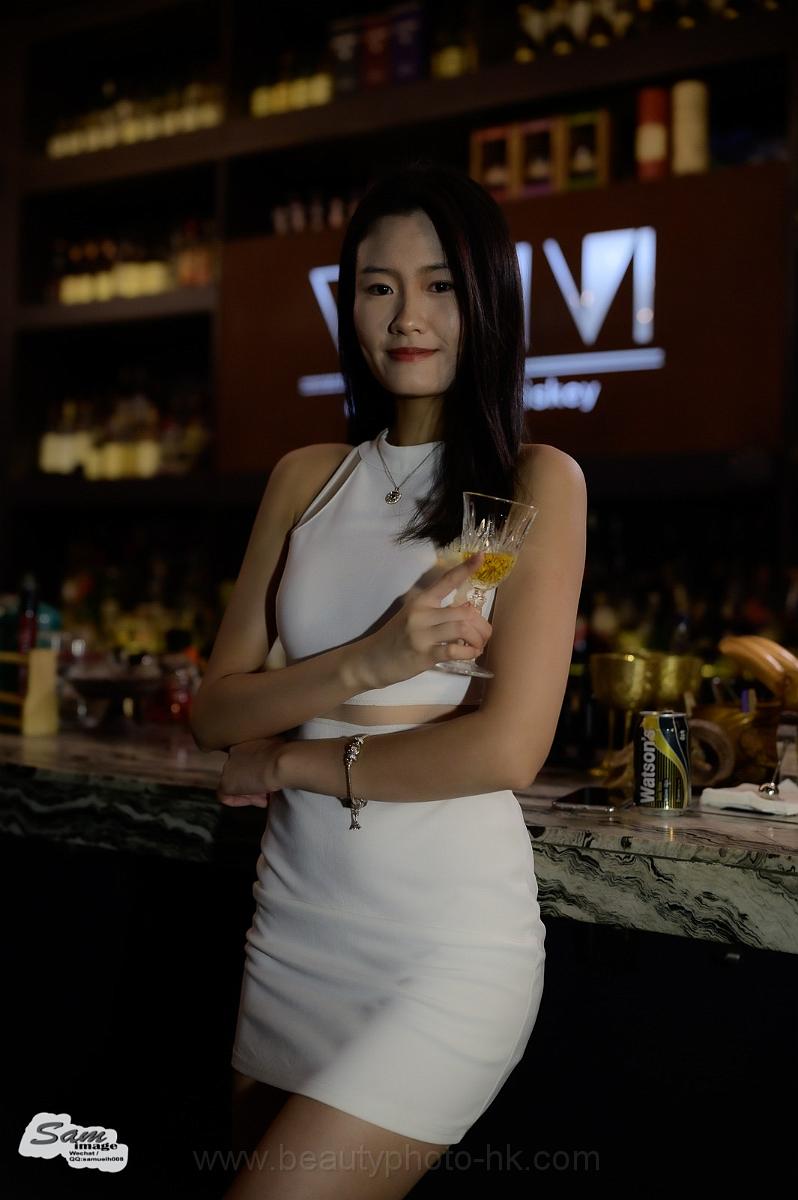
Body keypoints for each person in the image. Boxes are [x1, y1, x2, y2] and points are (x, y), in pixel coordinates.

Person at [190, 162, 587, 1199]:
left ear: (486, 298)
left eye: (440, 285)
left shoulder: (528, 483)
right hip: (294, 925)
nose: (408, 315)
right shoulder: (306, 478)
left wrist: (287, 763)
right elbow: (215, 709)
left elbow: (506, 748)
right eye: (379, 286)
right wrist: (370, 661)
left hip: (441, 946)